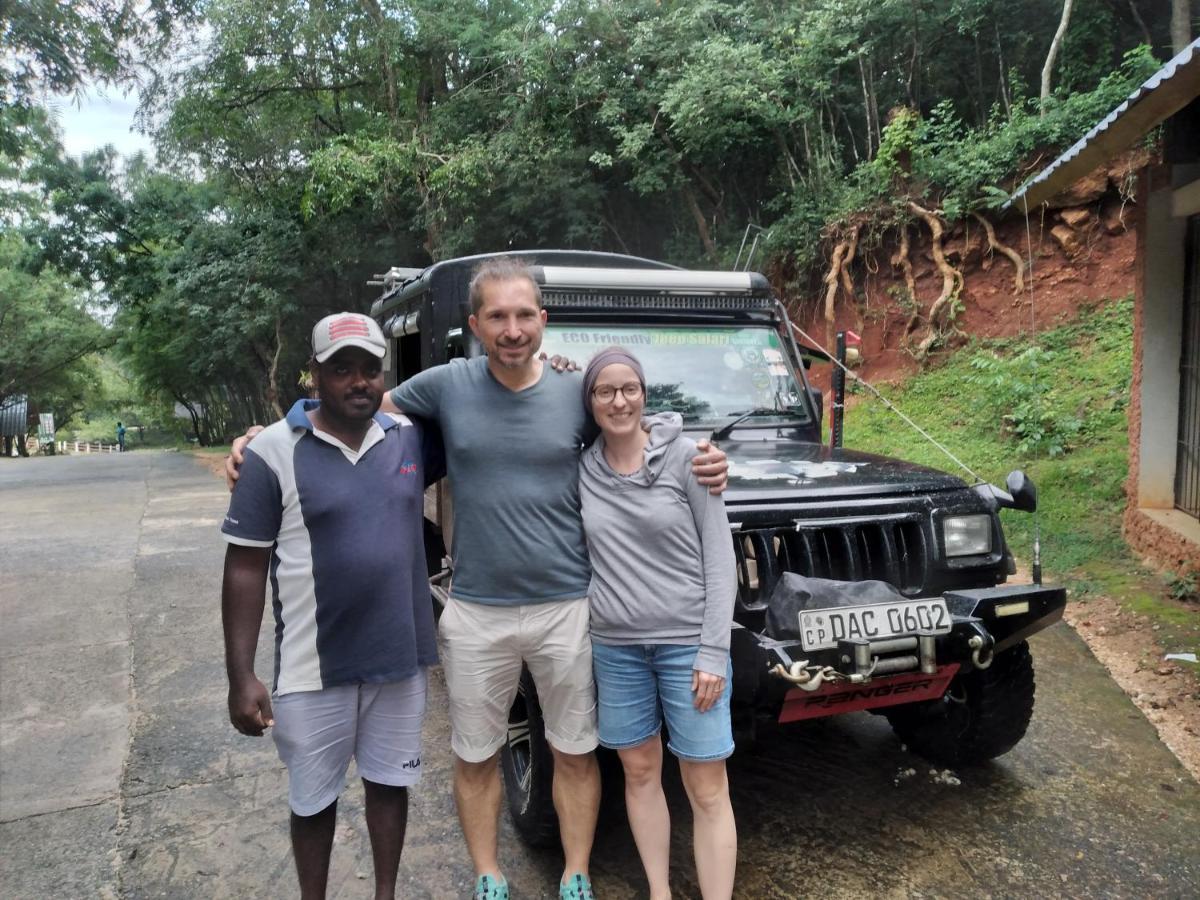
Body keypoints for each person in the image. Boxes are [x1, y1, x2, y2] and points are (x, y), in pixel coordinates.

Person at [228, 257, 729, 900]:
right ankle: (488, 874)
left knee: (574, 750)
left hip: (569, 606)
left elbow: (633, 420)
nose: (513, 328)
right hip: (476, 609)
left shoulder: (576, 392)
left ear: (543, 321)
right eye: (498, 316)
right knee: (474, 753)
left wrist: (706, 456)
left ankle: (575, 871)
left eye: (525, 315)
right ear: (474, 325)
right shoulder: (446, 384)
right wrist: (266, 434)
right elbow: (352, 402)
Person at [220, 312, 443, 900]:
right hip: (310, 669)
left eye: (370, 369)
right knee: (313, 801)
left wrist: (557, 368)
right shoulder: (270, 452)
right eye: (341, 369)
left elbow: (492, 402)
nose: (358, 382)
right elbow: (244, 566)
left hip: (398, 659)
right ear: (314, 374)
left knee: (390, 786)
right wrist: (240, 676)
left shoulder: (409, 438)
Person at [578, 347, 738, 900]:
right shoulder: (583, 469)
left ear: (644, 395)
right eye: (605, 391)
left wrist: (714, 651)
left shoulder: (689, 460)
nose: (619, 401)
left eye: (629, 389)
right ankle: (659, 892)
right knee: (640, 772)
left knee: (706, 783)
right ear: (591, 401)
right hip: (616, 649)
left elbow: (721, 561)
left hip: (686, 648)